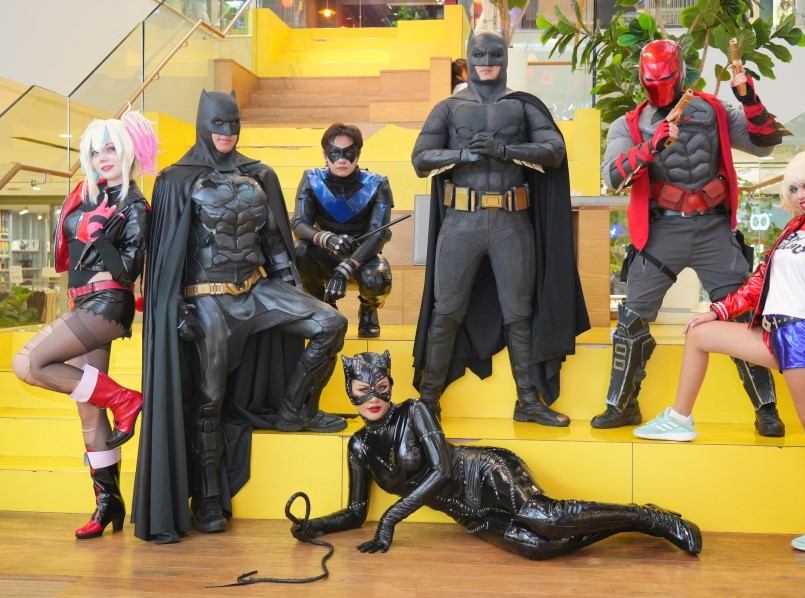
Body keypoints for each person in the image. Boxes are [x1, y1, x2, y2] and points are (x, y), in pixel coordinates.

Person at [635, 150, 805, 553]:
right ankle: (679, 419)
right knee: (700, 333)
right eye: (794, 188)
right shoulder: (795, 228)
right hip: (771, 333)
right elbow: (759, 281)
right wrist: (719, 309)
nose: (801, 195)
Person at [133, 90, 348, 543]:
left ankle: (293, 410)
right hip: (205, 297)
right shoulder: (176, 180)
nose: (227, 133)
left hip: (256, 288)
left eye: (233, 124)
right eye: (219, 124)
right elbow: (166, 258)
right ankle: (208, 497)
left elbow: (274, 243)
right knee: (208, 399)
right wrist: (176, 309)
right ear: (203, 123)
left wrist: (291, 287)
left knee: (330, 323)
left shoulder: (259, 175)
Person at [291, 350, 702, 559]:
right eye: (363, 391)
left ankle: (648, 518)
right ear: (349, 391)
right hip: (468, 514)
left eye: (381, 387)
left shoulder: (414, 410)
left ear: (390, 384)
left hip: (482, 472)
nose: (374, 398)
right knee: (536, 546)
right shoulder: (359, 445)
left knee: (546, 518)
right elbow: (356, 511)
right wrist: (314, 526)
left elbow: (443, 469)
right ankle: (627, 525)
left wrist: (391, 518)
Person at [592, 39, 787, 437]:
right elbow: (611, 177)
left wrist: (748, 97)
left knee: (742, 314)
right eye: (651, 80)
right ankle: (622, 405)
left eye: (664, 77)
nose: (658, 86)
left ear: (680, 72)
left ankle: (766, 408)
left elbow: (765, 143)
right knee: (632, 318)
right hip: (662, 230)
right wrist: (650, 147)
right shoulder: (629, 124)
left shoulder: (714, 111)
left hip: (713, 229)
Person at [411, 31, 590, 426]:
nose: (487, 61)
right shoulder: (449, 108)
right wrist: (463, 154)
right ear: (468, 59)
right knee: (447, 310)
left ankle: (527, 401)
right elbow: (420, 159)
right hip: (461, 221)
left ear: (505, 58)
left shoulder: (523, 106)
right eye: (479, 54)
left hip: (512, 221)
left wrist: (507, 151)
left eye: (495, 54)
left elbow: (554, 151)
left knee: (519, 312)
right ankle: (428, 401)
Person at [12, 111, 158, 539]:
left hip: (107, 303)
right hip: (82, 300)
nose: (103, 157)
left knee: (28, 364)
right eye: (95, 151)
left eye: (111, 148)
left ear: (126, 151)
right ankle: (108, 502)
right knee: (89, 410)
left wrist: (100, 238)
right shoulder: (86, 195)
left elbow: (129, 269)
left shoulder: (134, 204)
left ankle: (127, 399)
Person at [292, 123, 394, 338]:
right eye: (335, 152)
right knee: (298, 252)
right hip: (324, 253)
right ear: (325, 154)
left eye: (348, 152)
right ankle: (325, 307)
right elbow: (299, 223)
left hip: (363, 255)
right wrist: (326, 238)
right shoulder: (312, 179)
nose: (341, 159)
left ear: (358, 154)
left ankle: (368, 308)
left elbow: (379, 233)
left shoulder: (377, 183)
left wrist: (347, 266)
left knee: (378, 278)